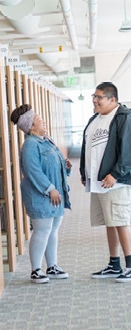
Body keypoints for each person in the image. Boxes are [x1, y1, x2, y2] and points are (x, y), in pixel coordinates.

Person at [11, 104, 72, 284]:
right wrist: (50, 188)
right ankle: (36, 269)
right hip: (41, 195)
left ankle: (52, 266)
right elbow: (33, 171)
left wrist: (66, 167)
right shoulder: (30, 145)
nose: (43, 121)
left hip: (56, 194)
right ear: (31, 126)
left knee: (52, 230)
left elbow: (56, 162)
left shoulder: (47, 140)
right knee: (42, 230)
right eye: (39, 120)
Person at [79, 81, 131, 283]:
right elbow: (88, 146)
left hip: (115, 182)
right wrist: (85, 173)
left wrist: (116, 174)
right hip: (98, 182)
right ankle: (114, 264)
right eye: (94, 96)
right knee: (110, 222)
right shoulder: (95, 118)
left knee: (120, 221)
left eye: (99, 97)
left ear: (112, 99)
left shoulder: (123, 118)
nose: (94, 100)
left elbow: (127, 151)